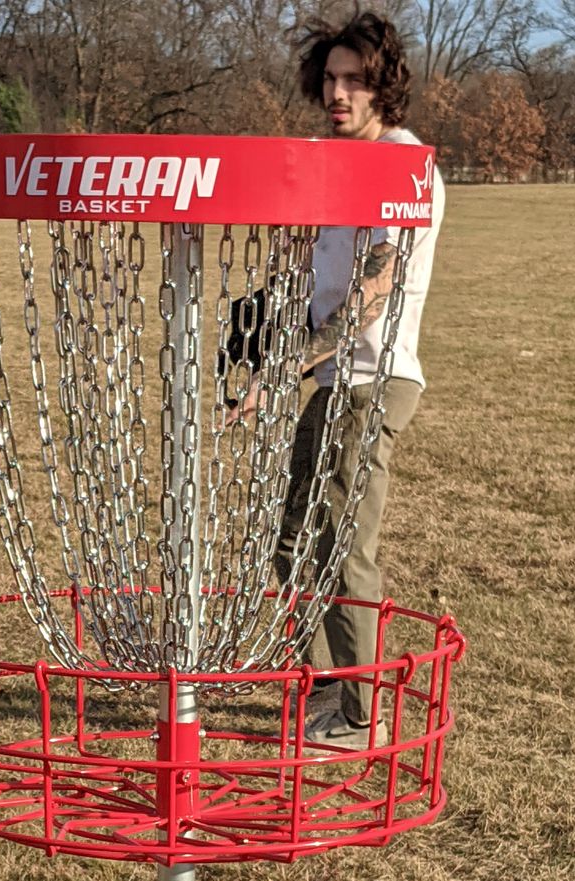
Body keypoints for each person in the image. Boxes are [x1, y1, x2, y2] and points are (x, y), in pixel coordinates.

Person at [242, 12, 445, 748]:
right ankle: (324, 691)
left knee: (342, 543)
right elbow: (313, 276)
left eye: (354, 80)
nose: (338, 93)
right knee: (295, 537)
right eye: (329, 79)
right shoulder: (340, 163)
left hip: (372, 380)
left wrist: (286, 367)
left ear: (383, 85)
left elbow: (373, 290)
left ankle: (360, 717)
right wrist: (264, 332)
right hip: (333, 377)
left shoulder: (403, 165)